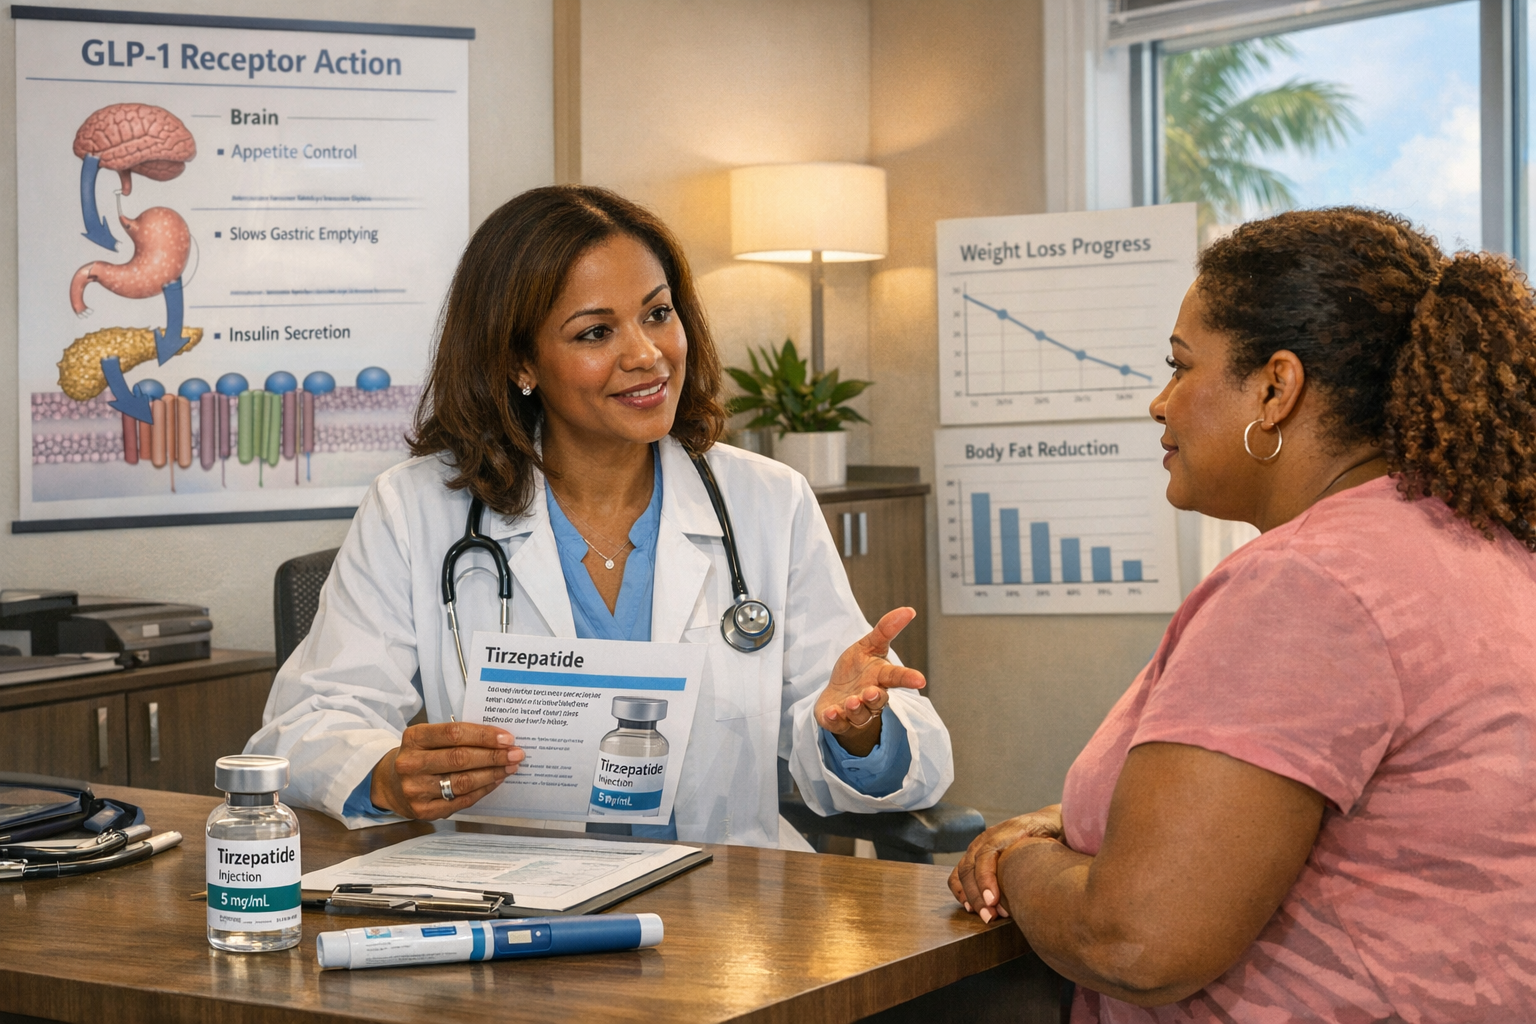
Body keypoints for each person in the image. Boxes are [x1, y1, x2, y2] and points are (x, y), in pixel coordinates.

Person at [950, 207, 1536, 1021]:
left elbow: (1137, 945)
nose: (1160, 404)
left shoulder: (1306, 585)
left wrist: (1012, 859)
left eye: (1181, 367)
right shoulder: (1471, 541)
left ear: (1275, 387)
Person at [247, 185, 952, 848]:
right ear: (521, 361)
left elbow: (892, 742)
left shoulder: (767, 502)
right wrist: (384, 774)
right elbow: (306, 726)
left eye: (657, 313)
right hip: (511, 912)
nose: (646, 355)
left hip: (726, 911)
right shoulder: (416, 510)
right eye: (594, 333)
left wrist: (857, 729)